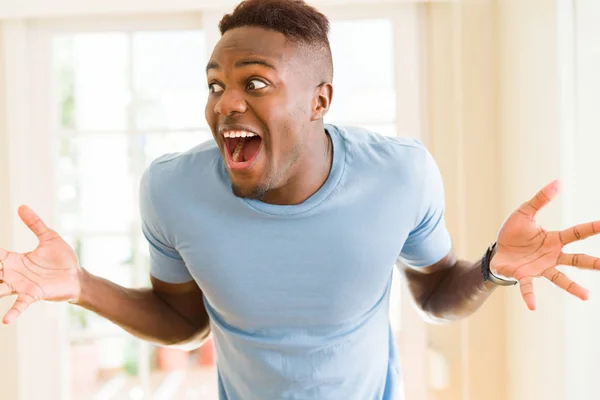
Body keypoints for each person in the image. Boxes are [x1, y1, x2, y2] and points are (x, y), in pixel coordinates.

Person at [0, 0, 599, 399]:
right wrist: (81, 285)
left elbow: (436, 295)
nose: (225, 103)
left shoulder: (401, 174)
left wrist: (492, 267)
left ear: (320, 100)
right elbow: (183, 321)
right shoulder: (171, 188)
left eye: (254, 82)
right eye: (215, 84)